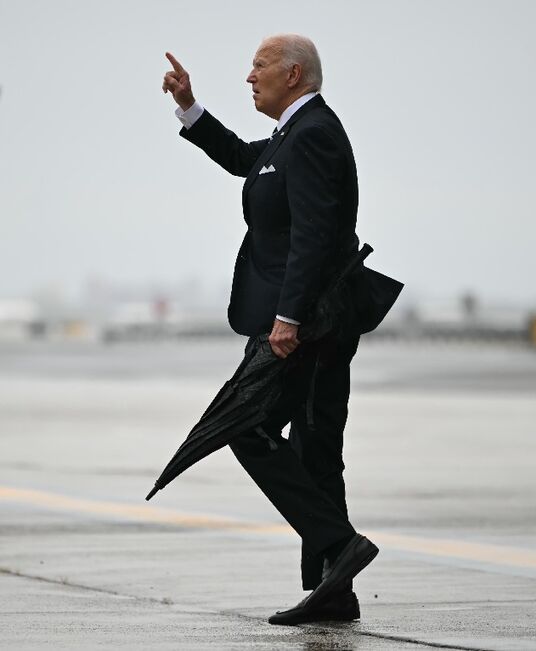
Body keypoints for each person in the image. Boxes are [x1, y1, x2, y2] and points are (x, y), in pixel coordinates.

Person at [162, 34, 379, 625]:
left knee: (246, 425)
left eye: (258, 66)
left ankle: (340, 548)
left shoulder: (313, 136)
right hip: (311, 320)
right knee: (314, 447)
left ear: (293, 73)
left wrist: (288, 318)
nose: (249, 76)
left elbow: (312, 234)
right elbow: (243, 158)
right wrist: (189, 107)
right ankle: (334, 588)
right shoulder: (294, 134)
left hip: (308, 323)